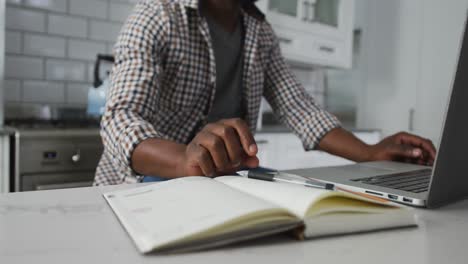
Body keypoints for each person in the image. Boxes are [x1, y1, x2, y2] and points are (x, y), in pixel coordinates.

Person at [93, 0, 436, 186]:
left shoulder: (260, 31)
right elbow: (121, 118)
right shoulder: (158, 15)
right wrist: (185, 159)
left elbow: (299, 109)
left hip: (213, 188)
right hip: (135, 190)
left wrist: (369, 153)